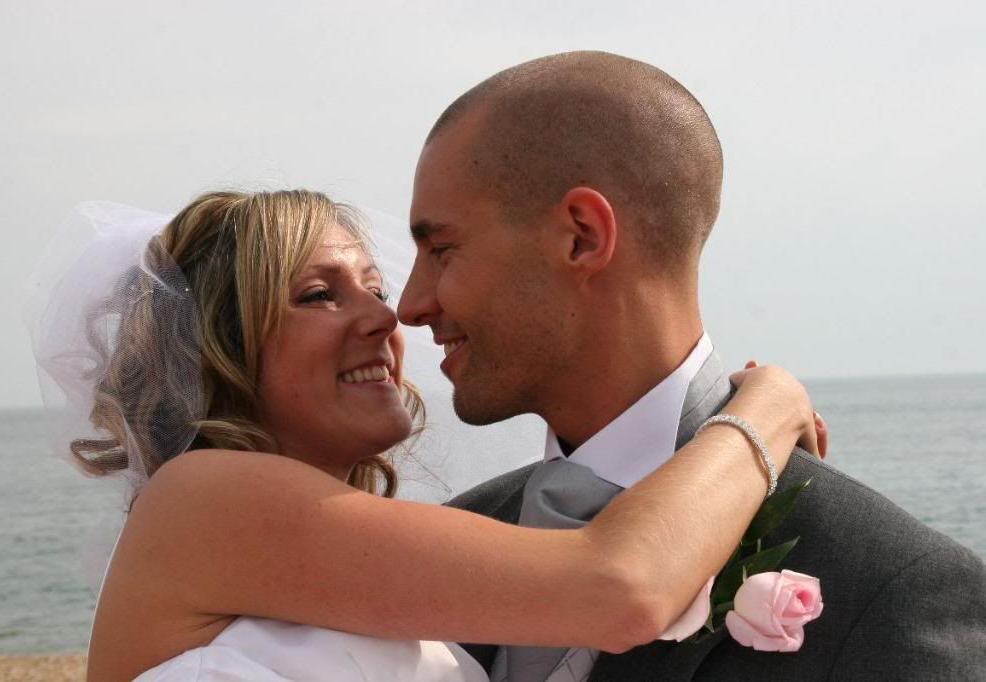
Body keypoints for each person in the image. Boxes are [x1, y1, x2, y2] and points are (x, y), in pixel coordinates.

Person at [28, 191, 821, 682]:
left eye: (373, 287)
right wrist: (769, 406)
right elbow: (620, 589)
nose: (388, 316)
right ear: (221, 347)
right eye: (320, 295)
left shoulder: (367, 578)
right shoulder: (201, 499)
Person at [397, 50, 986, 681]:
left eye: (442, 250)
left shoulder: (893, 589)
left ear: (583, 236)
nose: (410, 306)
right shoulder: (445, 543)